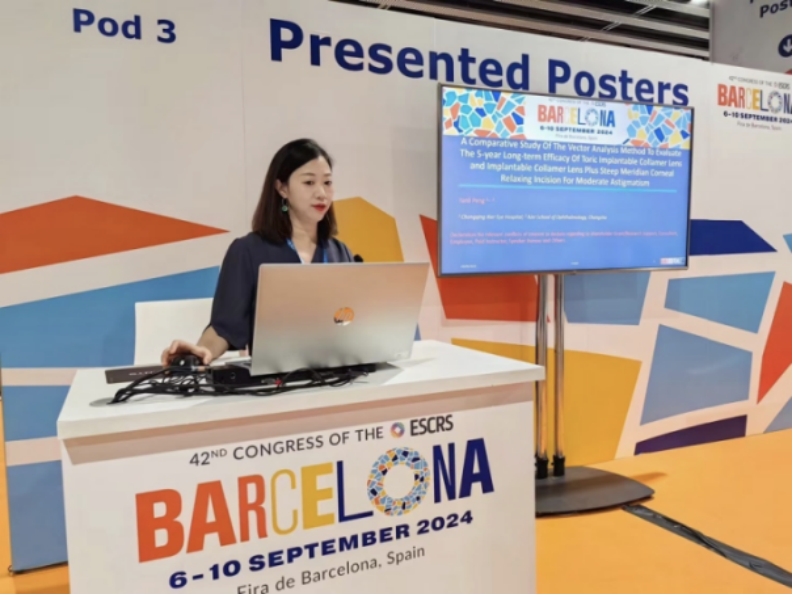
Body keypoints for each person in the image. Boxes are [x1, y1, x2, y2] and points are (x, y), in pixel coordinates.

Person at [161, 139, 355, 366]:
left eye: (327, 182)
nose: (322, 193)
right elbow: (224, 328)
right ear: (282, 188)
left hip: (338, 373)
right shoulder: (248, 251)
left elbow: (351, 323)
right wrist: (201, 351)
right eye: (309, 182)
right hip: (277, 378)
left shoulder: (340, 252)